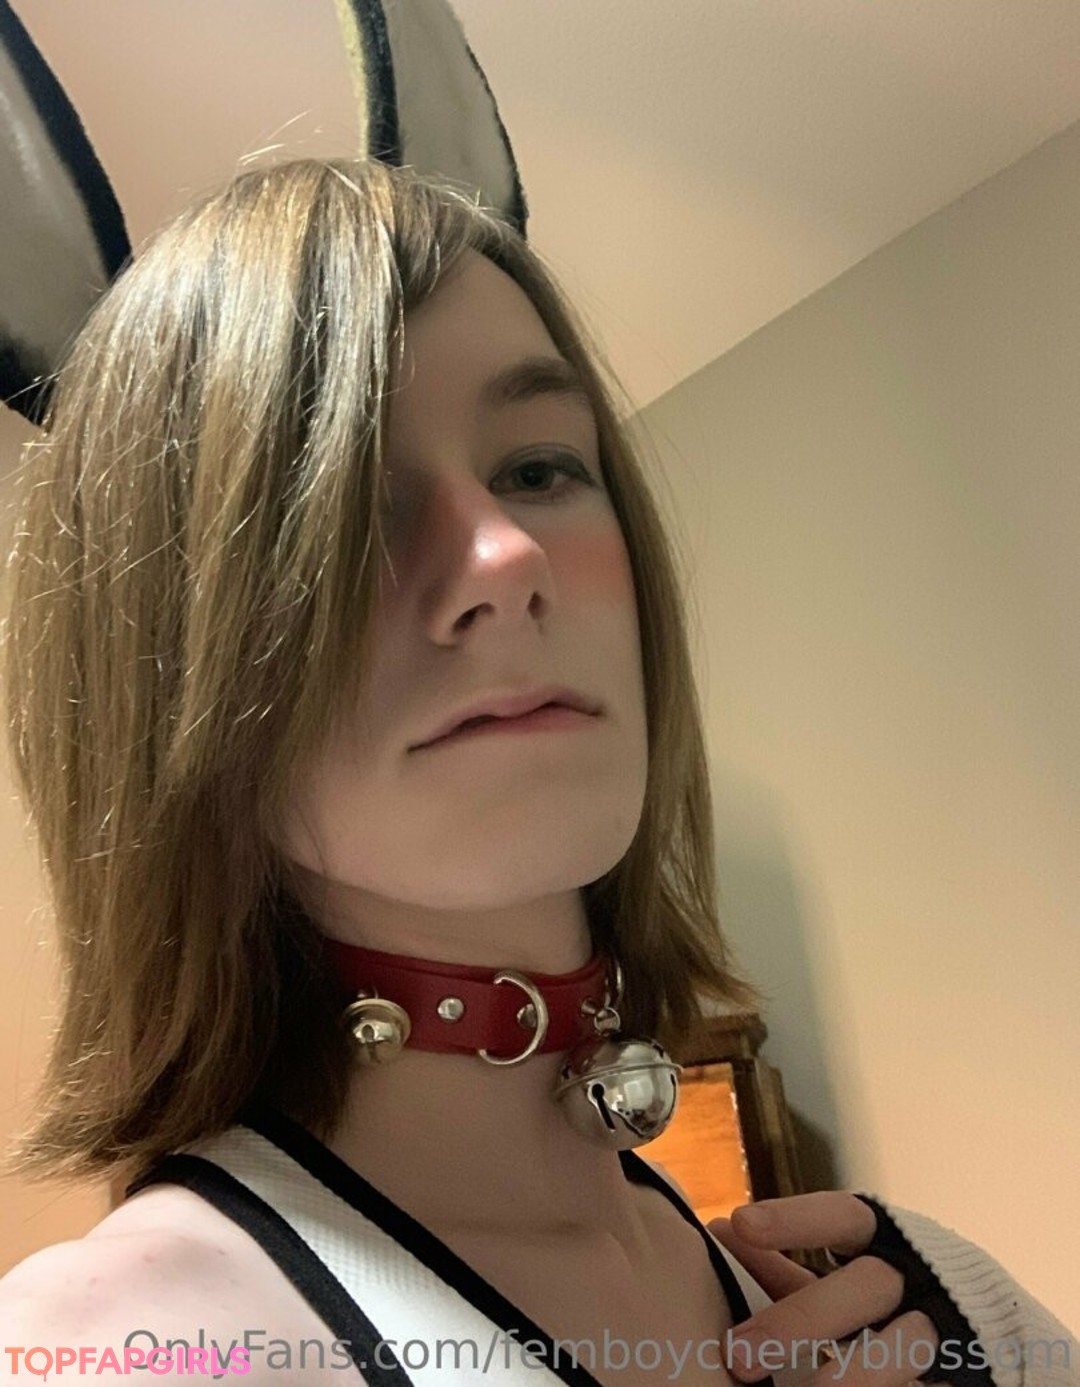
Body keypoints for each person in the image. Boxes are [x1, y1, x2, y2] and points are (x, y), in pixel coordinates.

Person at [0, 157, 1074, 1387]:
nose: (507, 555)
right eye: (340, 508)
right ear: (160, 671)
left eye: (538, 468)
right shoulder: (105, 1354)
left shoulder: (948, 1308)